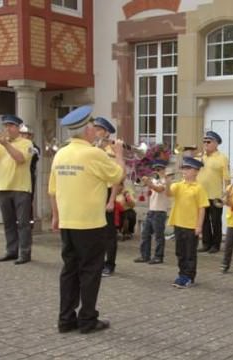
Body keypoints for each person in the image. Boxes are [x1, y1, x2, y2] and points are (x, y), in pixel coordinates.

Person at [48, 105, 125, 333]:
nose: (94, 131)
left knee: (69, 270)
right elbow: (117, 175)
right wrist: (119, 155)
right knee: (90, 271)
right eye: (92, 127)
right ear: (87, 130)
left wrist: (55, 216)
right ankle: (87, 320)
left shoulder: (61, 153)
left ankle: (66, 319)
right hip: (90, 223)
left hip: (68, 222)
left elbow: (52, 189)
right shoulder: (93, 153)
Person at [166, 157, 209, 288]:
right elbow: (168, 193)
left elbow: (202, 208)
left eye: (188, 169)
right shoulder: (178, 185)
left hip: (191, 225)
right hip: (179, 223)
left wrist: (199, 226)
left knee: (190, 252)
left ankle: (189, 277)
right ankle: (182, 274)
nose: (185, 171)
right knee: (180, 251)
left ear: (196, 171)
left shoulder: (199, 188)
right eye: (184, 168)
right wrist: (167, 182)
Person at [0, 115, 33, 264]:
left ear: (19, 128)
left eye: (11, 125)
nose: (7, 128)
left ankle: (24, 253)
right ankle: (11, 251)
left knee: (23, 223)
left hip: (21, 188)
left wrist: (6, 144)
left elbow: (20, 159)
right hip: (3, 187)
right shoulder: (1, 145)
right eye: (5, 125)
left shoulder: (27, 143)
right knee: (8, 222)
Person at [93, 117, 120, 277]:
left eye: (99, 129)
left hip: (108, 192)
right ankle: (98, 262)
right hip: (95, 192)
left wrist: (111, 200)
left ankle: (110, 264)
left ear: (106, 132)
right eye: (95, 129)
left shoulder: (112, 150)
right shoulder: (93, 149)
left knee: (109, 233)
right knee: (96, 231)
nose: (95, 132)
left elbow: (116, 177)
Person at [197, 131, 230, 253]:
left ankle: (216, 245)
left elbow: (226, 178)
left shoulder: (222, 158)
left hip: (216, 195)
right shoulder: (201, 157)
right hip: (202, 195)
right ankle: (206, 243)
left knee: (215, 221)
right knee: (204, 220)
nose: (206, 144)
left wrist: (226, 194)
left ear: (216, 144)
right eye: (204, 141)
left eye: (208, 142)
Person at [134, 160, 170, 264]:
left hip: (160, 211)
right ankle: (145, 255)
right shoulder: (154, 180)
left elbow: (159, 189)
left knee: (158, 236)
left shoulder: (165, 180)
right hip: (151, 210)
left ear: (163, 170)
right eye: (155, 170)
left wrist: (149, 183)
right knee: (145, 234)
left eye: (159, 169)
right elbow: (141, 184)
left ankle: (158, 257)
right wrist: (145, 181)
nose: (156, 171)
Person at [19, 124, 40, 226]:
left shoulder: (34, 147)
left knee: (27, 199)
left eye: (26, 135)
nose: (24, 137)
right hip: (17, 177)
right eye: (22, 134)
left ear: (31, 136)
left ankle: (29, 222)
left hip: (29, 176)